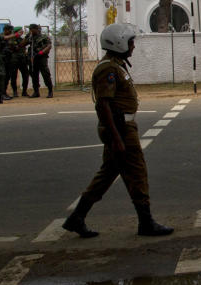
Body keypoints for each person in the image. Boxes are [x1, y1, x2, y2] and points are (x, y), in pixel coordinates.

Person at [61, 23, 173, 238]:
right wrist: (117, 138)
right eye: (131, 42)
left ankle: (77, 217)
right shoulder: (108, 69)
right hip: (120, 128)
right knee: (137, 172)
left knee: (107, 174)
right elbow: (103, 104)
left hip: (122, 126)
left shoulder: (117, 64)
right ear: (119, 43)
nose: (133, 46)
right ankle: (146, 222)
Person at [28, 23, 54, 98]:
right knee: (34, 75)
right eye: (30, 30)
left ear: (36, 29)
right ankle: (36, 92)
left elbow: (49, 45)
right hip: (34, 58)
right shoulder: (30, 38)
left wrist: (42, 52)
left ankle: (50, 91)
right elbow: (24, 43)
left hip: (42, 58)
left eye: (32, 30)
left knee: (46, 74)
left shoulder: (43, 37)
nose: (31, 31)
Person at [5, 24, 31, 97]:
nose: (22, 32)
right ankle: (15, 92)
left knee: (25, 75)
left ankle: (24, 91)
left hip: (22, 60)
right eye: (20, 31)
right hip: (14, 60)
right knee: (13, 76)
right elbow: (16, 47)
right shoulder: (12, 40)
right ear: (17, 32)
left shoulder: (21, 39)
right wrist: (24, 42)